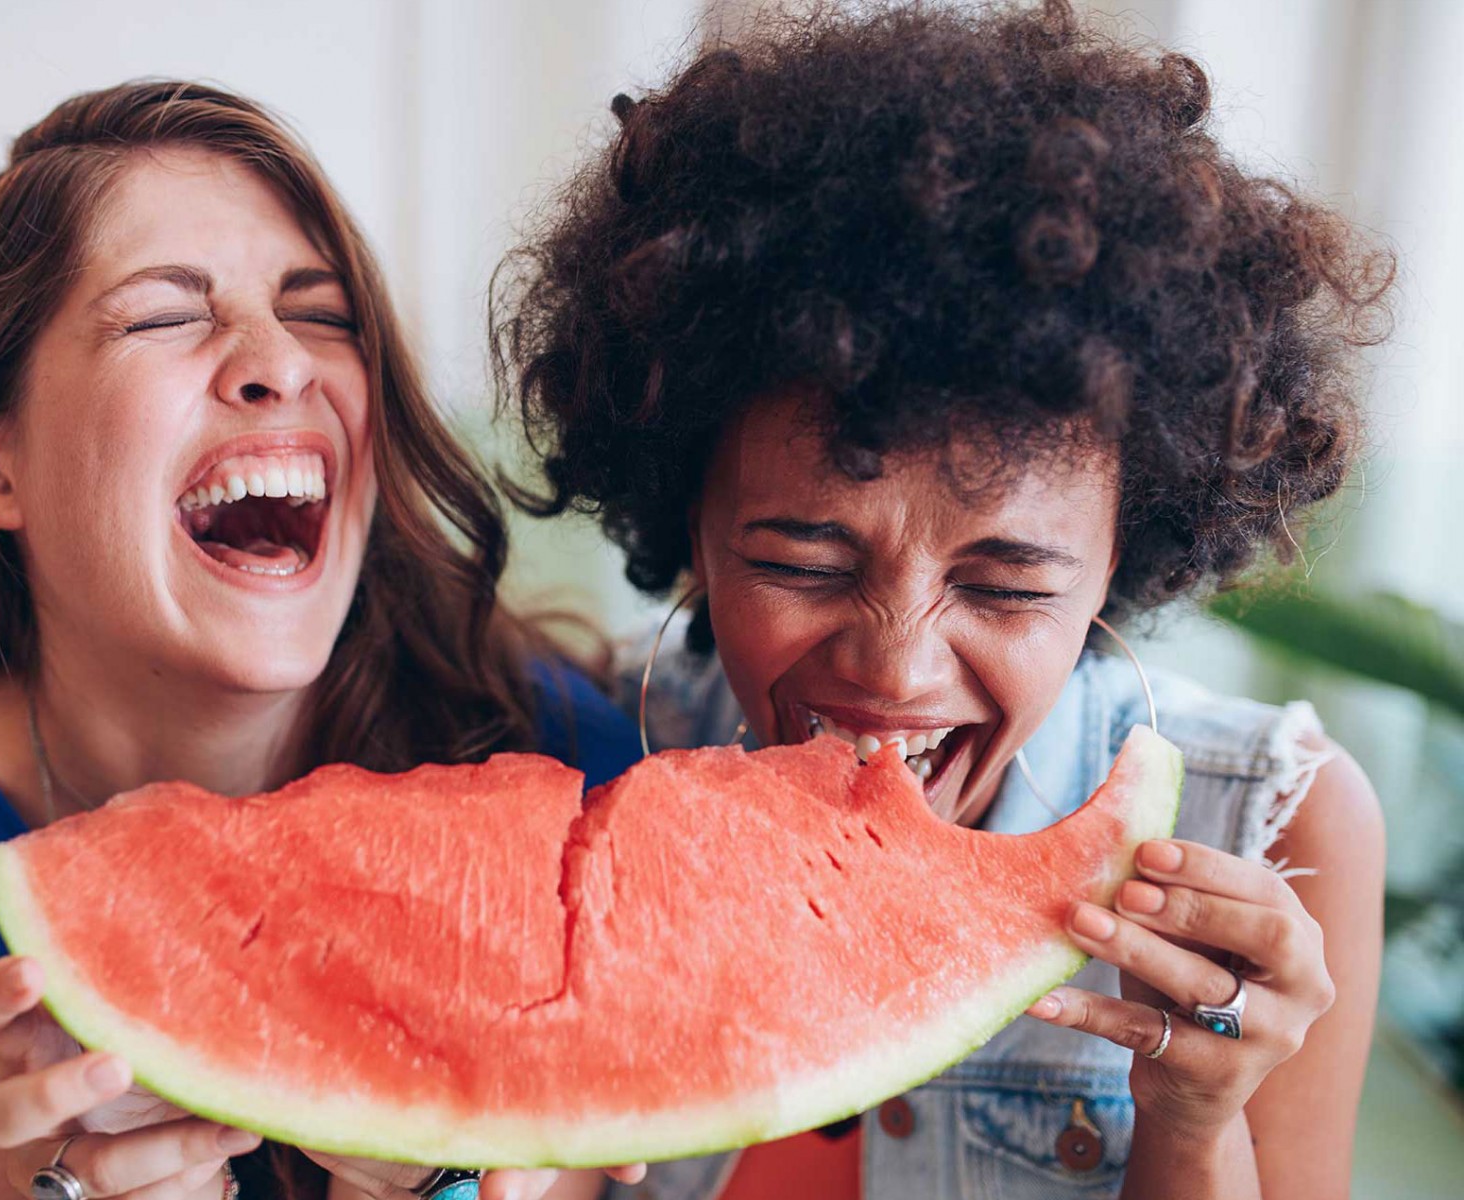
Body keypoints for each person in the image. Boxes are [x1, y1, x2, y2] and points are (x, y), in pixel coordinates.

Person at [496, 3, 1392, 1197]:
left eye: (1007, 583)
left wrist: (1192, 1118)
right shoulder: (570, 758)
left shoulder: (1274, 823)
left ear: (1123, 558)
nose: (894, 671)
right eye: (804, 566)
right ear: (690, 521)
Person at [0, 80, 646, 1200]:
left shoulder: (563, 788)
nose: (280, 360)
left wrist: (439, 1179)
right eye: (167, 315)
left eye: (320, 313)